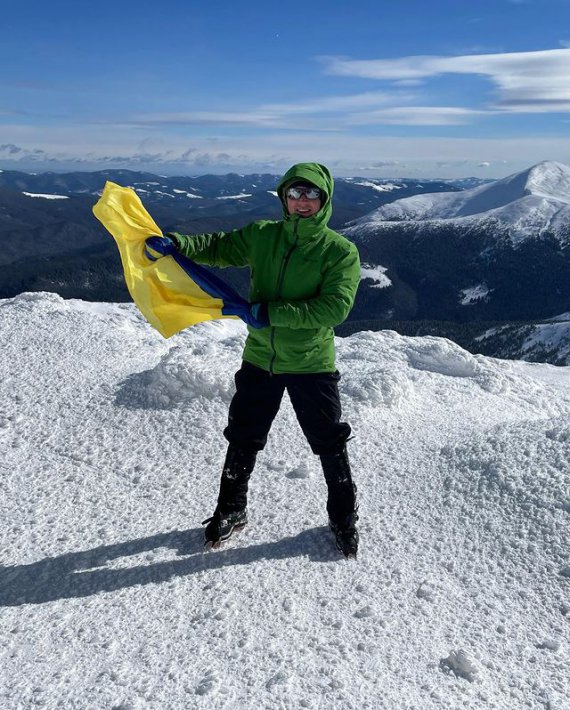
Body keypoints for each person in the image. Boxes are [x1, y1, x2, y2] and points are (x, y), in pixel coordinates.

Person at [154, 162, 361, 558]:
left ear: (325, 199)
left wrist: (270, 313)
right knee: (243, 435)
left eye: (311, 195)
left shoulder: (339, 251)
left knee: (329, 441)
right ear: (284, 197)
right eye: (295, 194)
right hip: (260, 358)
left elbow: (333, 309)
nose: (302, 202)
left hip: (311, 364)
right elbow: (218, 247)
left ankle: (344, 515)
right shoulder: (263, 236)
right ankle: (231, 508)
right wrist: (179, 245)